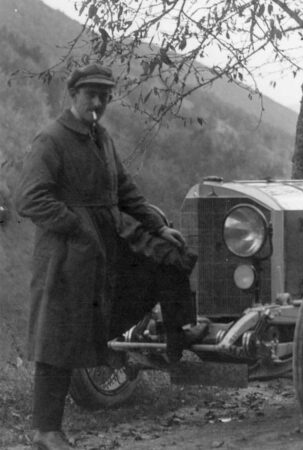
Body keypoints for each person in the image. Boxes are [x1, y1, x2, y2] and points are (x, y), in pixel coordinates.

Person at [14, 63, 204, 450]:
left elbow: (125, 189)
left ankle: (175, 334)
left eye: (105, 95)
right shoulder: (51, 139)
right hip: (66, 254)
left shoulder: (102, 138)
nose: (98, 102)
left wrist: (154, 223)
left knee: (168, 257)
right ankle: (45, 431)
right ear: (74, 96)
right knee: (58, 334)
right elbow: (29, 199)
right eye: (91, 94)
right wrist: (74, 224)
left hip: (108, 239)